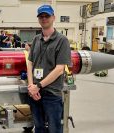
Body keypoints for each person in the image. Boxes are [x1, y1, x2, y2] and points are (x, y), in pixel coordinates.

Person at [27, 5, 71, 133]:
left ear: (53, 18)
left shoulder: (62, 40)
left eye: (47, 16)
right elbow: (30, 63)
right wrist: (31, 85)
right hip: (35, 94)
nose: (44, 18)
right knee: (38, 127)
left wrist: (38, 86)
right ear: (38, 19)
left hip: (51, 94)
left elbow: (59, 69)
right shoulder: (36, 39)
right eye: (41, 16)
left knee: (54, 129)